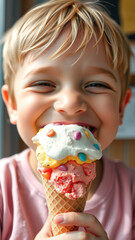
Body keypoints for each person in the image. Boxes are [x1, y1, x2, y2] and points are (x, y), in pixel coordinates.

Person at [0, 0, 135, 239]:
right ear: (12, 104)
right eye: (43, 83)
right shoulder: (3, 188)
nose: (71, 102)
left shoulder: (131, 193)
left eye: (96, 84)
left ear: (121, 106)